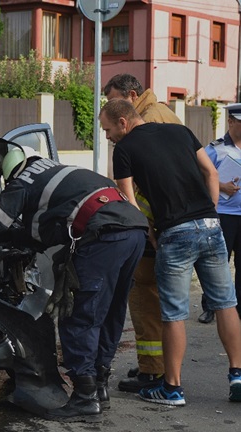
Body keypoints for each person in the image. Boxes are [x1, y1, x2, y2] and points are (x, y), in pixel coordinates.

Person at [0, 148, 148, 422]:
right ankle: (99, 389)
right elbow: (45, 231)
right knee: (110, 311)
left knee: (78, 315)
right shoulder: (65, 172)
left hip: (103, 235)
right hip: (134, 231)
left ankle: (85, 399)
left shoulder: (25, 180)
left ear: (12, 170)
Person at [101, 98, 241, 406]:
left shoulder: (124, 151)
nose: (107, 137)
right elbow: (211, 174)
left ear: (123, 122)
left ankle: (173, 389)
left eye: (108, 129)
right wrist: (211, 213)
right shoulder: (181, 132)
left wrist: (150, 234)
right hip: (210, 226)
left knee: (174, 314)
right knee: (226, 304)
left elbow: (128, 201)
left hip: (174, 235)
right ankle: (238, 376)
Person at [103, 73, 186, 393]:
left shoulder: (144, 124)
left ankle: (154, 370)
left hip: (155, 227)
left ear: (131, 96)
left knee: (145, 296)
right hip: (177, 222)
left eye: (112, 102)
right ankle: (158, 366)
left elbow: (139, 184)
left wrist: (137, 224)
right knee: (163, 299)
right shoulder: (163, 113)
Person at [204, 103, 241, 322]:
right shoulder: (215, 149)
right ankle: (210, 307)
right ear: (231, 122)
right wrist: (221, 187)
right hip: (223, 214)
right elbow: (200, 178)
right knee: (217, 263)